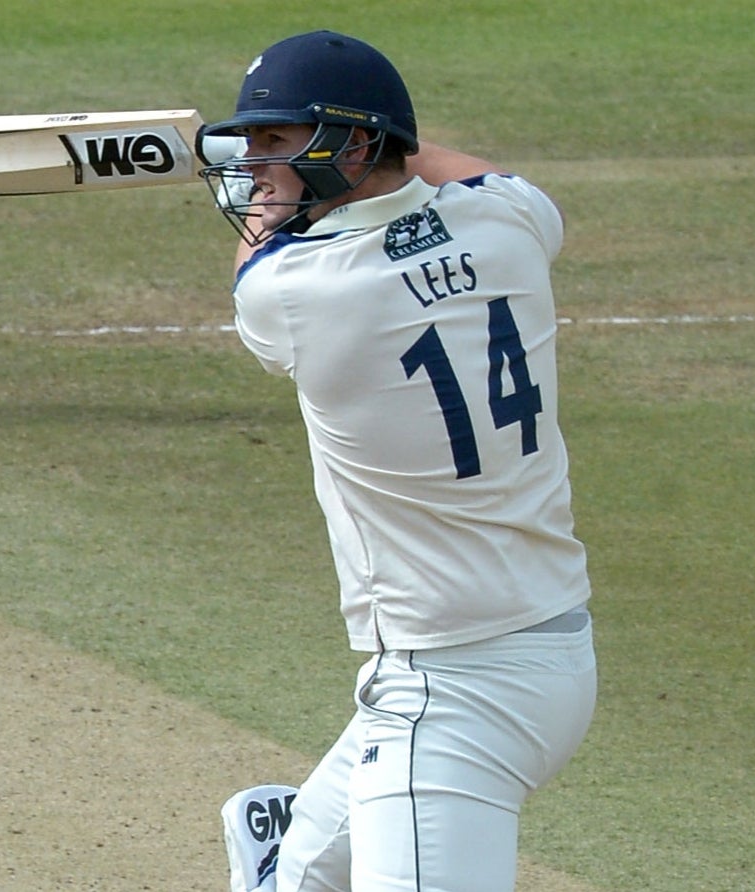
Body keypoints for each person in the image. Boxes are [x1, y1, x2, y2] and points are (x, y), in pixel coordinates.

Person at [197, 30, 597, 892]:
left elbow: (259, 256)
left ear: (351, 142)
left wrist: (279, 196)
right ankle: (287, 845)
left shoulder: (297, 293)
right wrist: (346, 149)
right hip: (560, 650)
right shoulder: (512, 218)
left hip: (449, 692)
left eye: (276, 140)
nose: (253, 165)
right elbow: (451, 171)